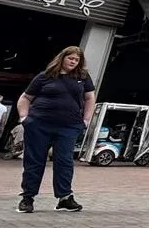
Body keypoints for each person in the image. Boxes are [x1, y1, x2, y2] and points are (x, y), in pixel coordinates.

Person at [16, 46, 96, 214]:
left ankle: (65, 198)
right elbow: (26, 97)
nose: (73, 62)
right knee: (34, 160)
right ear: (62, 58)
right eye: (70, 58)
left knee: (65, 161)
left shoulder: (83, 77)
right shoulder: (45, 76)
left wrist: (86, 120)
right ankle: (27, 198)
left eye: (77, 60)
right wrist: (24, 118)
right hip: (39, 124)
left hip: (69, 126)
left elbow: (90, 98)